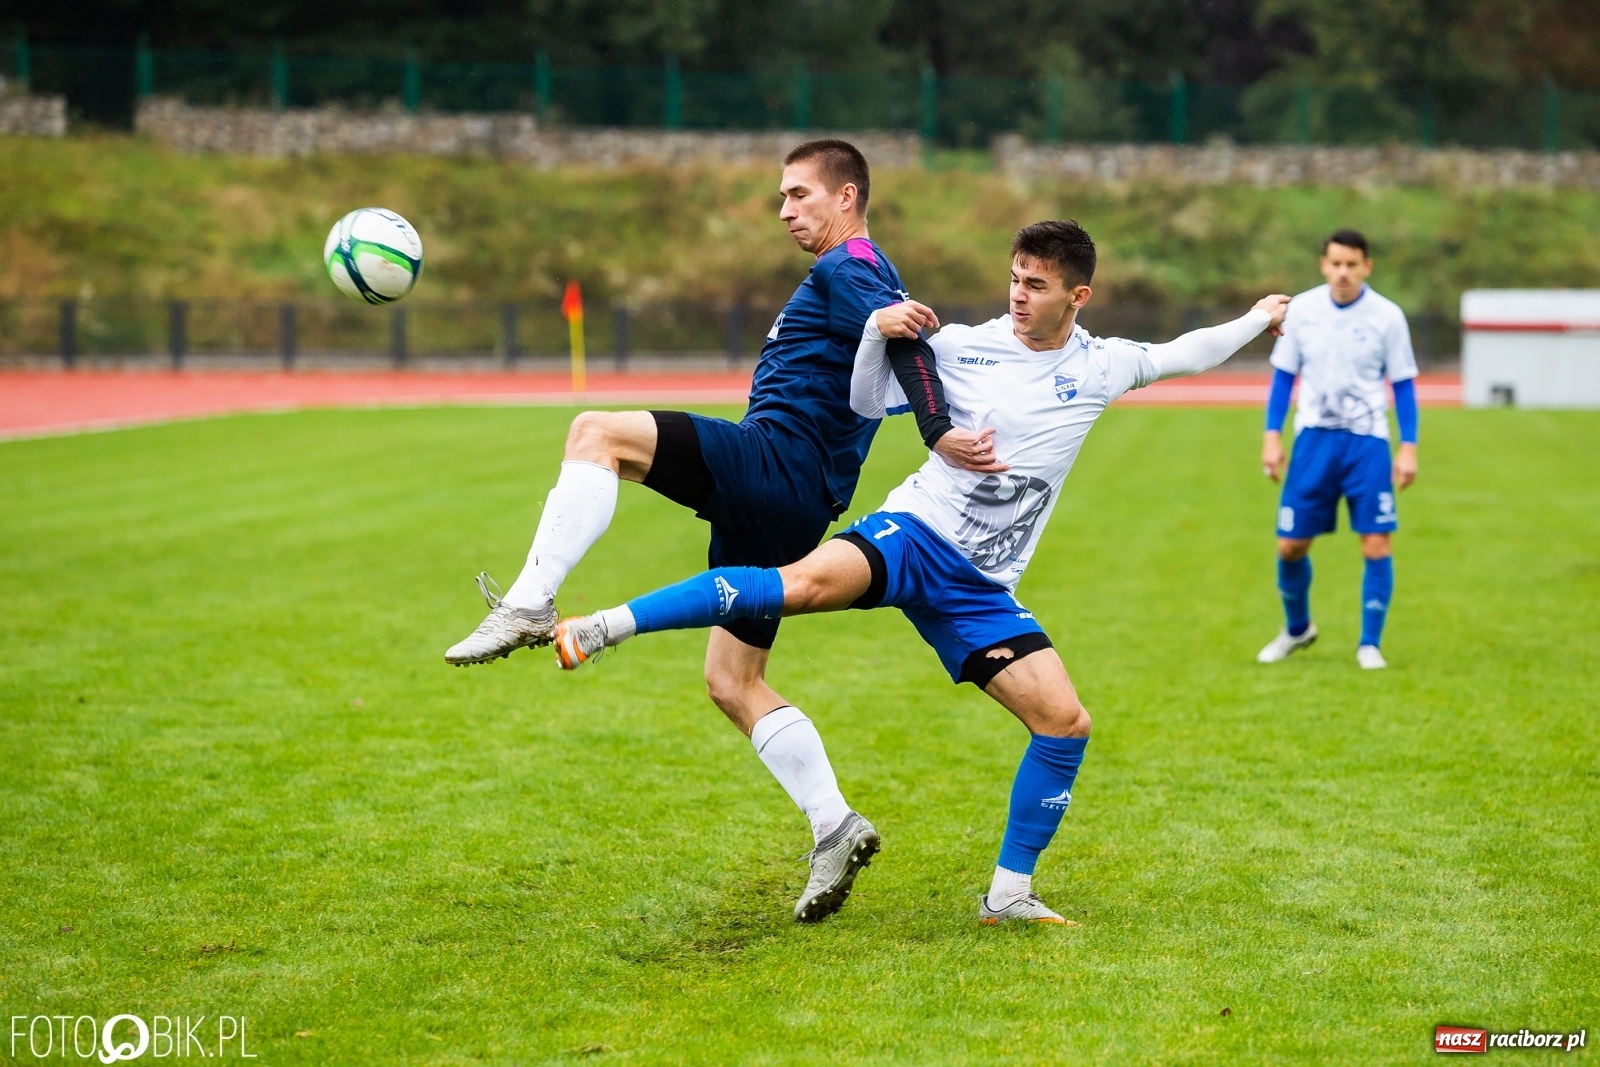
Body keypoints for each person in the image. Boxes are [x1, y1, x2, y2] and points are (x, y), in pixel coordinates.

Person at [549, 220, 1291, 924]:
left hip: (981, 586)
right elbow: (868, 397)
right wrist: (876, 333)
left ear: (1078, 296)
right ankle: (606, 624)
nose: (1019, 293)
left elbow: (1188, 351)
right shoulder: (964, 345)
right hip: (914, 534)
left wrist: (1259, 316)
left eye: (1035, 283)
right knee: (797, 584)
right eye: (1014, 278)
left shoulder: (1103, 364)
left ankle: (1008, 896)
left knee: (1064, 724)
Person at [443, 139, 997, 923]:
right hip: (789, 498)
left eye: (799, 194)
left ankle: (531, 602)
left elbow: (902, 339)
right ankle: (835, 824)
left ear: (847, 197)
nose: (784, 210)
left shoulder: (853, 263)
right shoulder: (856, 275)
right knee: (731, 681)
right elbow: (889, 334)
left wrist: (936, 430)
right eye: (780, 197)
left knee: (596, 432)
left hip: (776, 464)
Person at [1256, 229, 1420, 671]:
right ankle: (1297, 629)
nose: (1343, 272)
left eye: (1352, 264)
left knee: (1376, 543)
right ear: (1323, 265)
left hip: (1368, 443)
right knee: (1290, 545)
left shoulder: (1388, 316)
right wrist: (1272, 435)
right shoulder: (1303, 311)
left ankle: (1370, 643)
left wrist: (1408, 446)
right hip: (1313, 441)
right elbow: (1284, 377)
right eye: (1335, 263)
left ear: (1367, 266)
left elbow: (1403, 384)